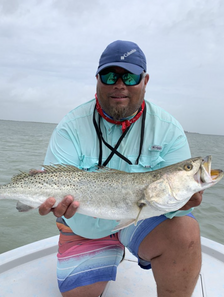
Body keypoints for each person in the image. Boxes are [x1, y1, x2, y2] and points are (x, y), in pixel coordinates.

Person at [39, 40, 202, 297]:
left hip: (142, 220)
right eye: (110, 75)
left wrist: (185, 201)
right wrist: (54, 203)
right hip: (83, 225)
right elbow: (54, 184)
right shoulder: (70, 127)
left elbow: (178, 201)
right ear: (97, 79)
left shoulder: (169, 129)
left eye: (130, 76)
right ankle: (100, 252)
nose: (119, 84)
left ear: (145, 81)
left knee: (186, 231)